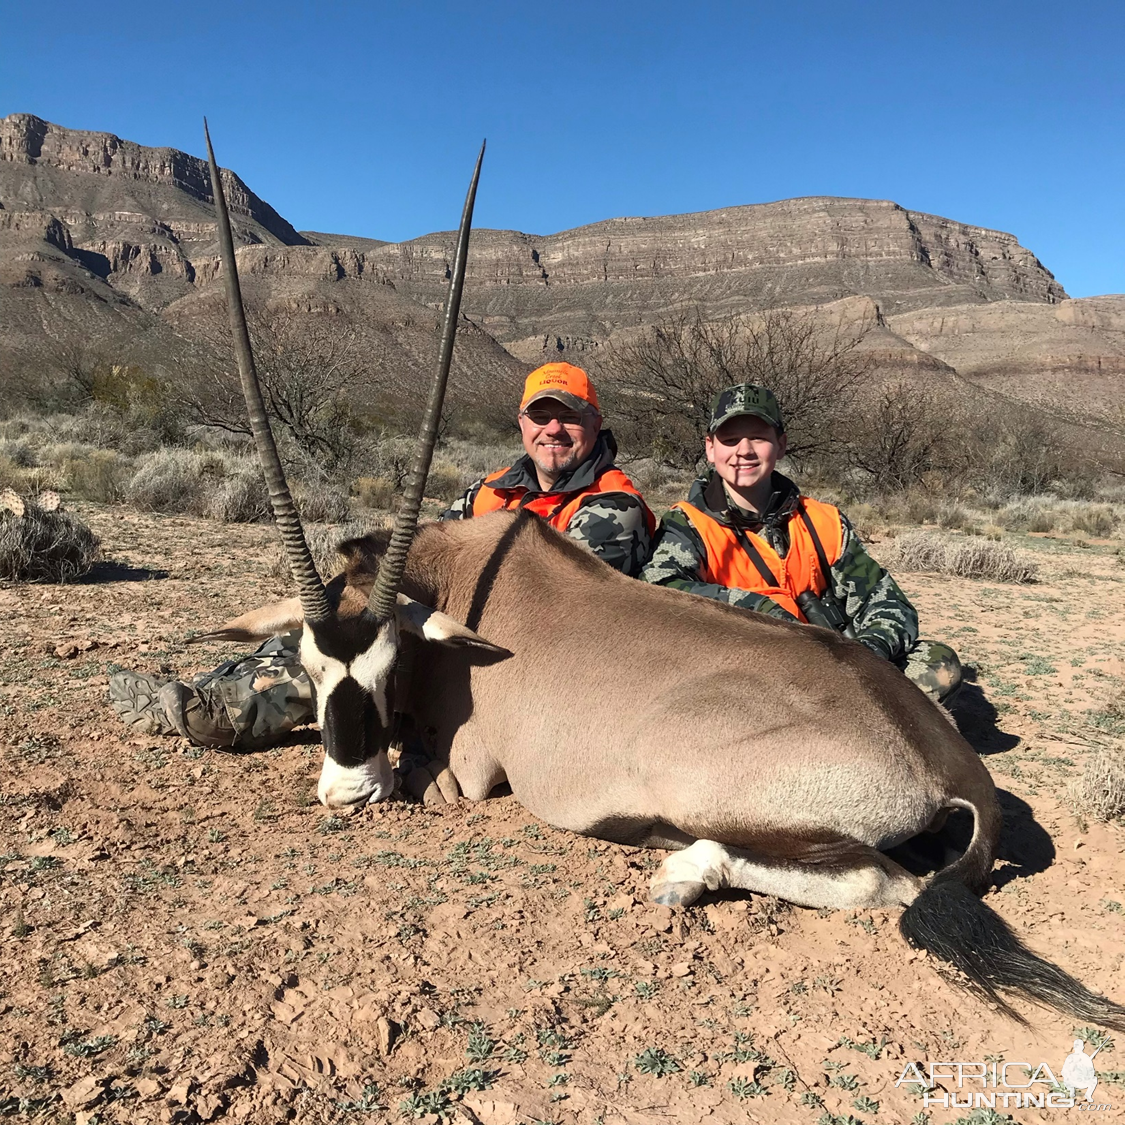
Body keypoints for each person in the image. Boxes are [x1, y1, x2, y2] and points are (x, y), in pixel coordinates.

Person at [109, 362, 654, 747]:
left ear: (595, 423)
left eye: (570, 417)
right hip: (461, 625)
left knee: (363, 659)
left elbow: (552, 613)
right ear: (522, 423)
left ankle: (230, 713)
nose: (553, 429)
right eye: (541, 416)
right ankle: (215, 682)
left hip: (530, 657)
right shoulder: (491, 489)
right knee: (344, 623)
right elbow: (424, 549)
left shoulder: (614, 505)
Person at [640, 382, 961, 704]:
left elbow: (887, 603)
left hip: (835, 667)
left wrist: (867, 654)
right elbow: (661, 593)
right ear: (710, 448)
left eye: (759, 438)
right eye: (730, 439)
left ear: (781, 446)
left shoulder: (826, 520)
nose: (744, 450)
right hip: (743, 671)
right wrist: (759, 610)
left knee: (937, 664)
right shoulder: (687, 522)